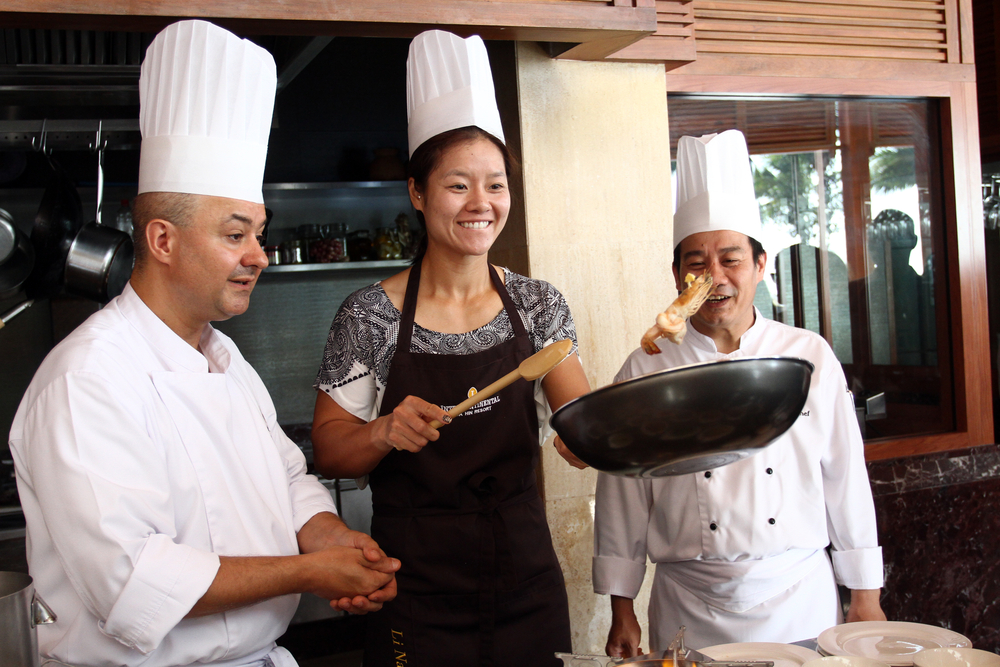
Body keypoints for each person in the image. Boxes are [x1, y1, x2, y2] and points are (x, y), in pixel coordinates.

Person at [8, 20, 397, 667]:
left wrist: (331, 537)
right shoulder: (87, 379)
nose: (259, 255)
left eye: (260, 234)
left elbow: (287, 477)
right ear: (163, 240)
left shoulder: (224, 358)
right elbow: (132, 583)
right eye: (235, 235)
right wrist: (310, 571)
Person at [311, 29, 591, 667]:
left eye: (495, 185)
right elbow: (330, 450)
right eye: (458, 185)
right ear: (417, 192)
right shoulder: (368, 315)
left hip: (524, 573)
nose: (481, 204)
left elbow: (579, 424)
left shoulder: (539, 304)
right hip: (416, 585)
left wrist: (598, 437)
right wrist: (383, 431)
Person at [593, 130, 886, 656]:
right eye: (696, 264)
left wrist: (865, 595)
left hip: (798, 596)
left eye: (730, 259)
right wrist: (622, 607)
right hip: (689, 603)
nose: (715, 278)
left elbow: (844, 476)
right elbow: (623, 495)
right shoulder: (646, 367)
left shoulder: (808, 356)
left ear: (760, 264)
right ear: (677, 275)